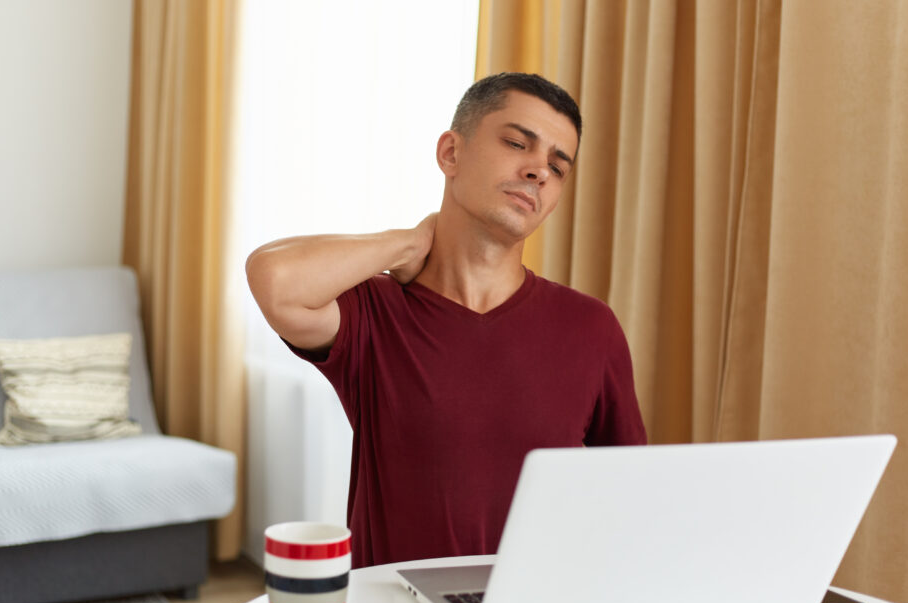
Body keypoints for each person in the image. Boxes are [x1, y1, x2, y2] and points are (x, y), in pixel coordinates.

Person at [246, 72, 647, 569]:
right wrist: (409, 242)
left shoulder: (591, 328)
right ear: (450, 154)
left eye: (557, 167)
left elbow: (631, 492)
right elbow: (274, 278)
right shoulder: (376, 313)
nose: (539, 171)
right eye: (518, 143)